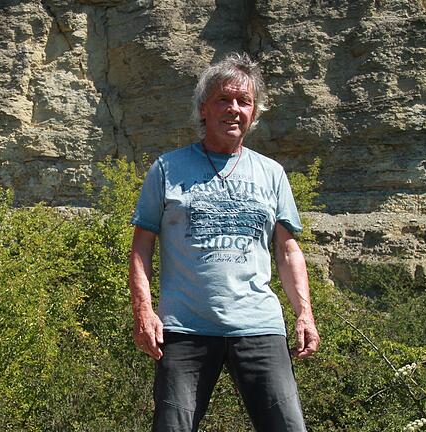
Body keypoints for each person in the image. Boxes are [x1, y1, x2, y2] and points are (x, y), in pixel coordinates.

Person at [129, 52, 320, 431]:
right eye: (223, 99)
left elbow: (287, 249)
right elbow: (141, 247)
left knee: (288, 426)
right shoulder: (167, 168)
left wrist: (304, 313)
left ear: (254, 111)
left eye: (244, 101)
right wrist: (144, 312)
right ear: (203, 109)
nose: (234, 109)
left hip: (259, 325)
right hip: (184, 328)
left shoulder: (272, 173)